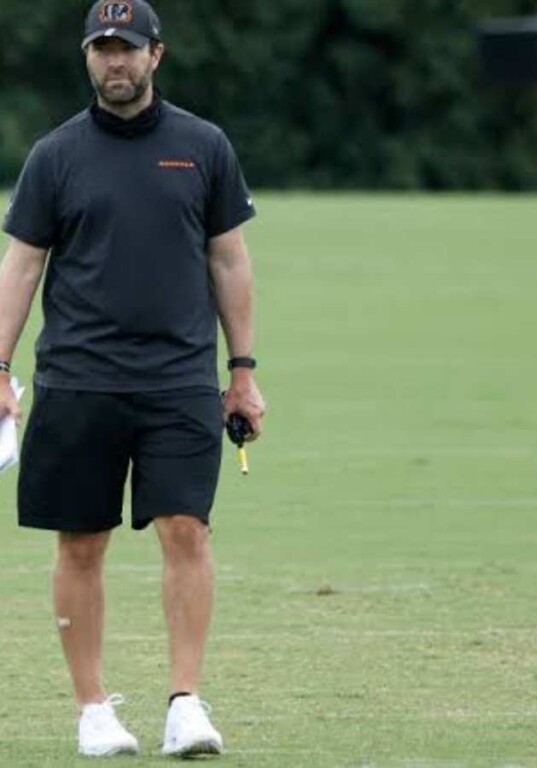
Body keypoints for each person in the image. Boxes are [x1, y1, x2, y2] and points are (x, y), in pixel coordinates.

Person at [0, 0, 265, 758]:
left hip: (179, 379)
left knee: (187, 529)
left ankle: (185, 702)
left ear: (157, 55)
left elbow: (229, 260)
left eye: (128, 49)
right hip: (79, 379)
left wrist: (242, 372)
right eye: (102, 49)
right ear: (87, 58)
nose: (115, 62)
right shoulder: (55, 155)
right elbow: (21, 265)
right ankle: (93, 711)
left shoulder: (203, 147)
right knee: (80, 544)